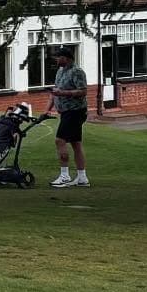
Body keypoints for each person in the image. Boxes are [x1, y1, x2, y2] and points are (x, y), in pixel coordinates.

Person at [48, 46, 90, 187]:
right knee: (75, 143)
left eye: (58, 57)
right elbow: (55, 92)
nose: (56, 59)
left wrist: (64, 93)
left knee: (60, 140)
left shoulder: (77, 72)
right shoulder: (60, 72)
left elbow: (83, 91)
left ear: (66, 58)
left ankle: (65, 175)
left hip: (75, 111)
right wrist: (47, 110)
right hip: (65, 112)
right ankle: (82, 178)